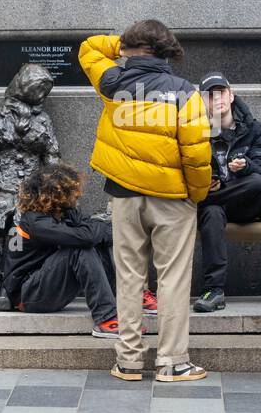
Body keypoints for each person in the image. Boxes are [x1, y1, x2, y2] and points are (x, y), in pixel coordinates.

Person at [79, 21, 212, 383]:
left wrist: (122, 46)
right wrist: (197, 195)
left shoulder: (112, 83)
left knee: (129, 277)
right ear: (166, 50)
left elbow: (89, 47)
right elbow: (197, 155)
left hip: (123, 195)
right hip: (172, 198)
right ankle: (172, 362)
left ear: (129, 48)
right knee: (173, 279)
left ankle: (129, 362)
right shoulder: (185, 92)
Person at [0, 163, 120, 339]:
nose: (77, 196)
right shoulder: (34, 221)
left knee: (93, 241)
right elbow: (86, 236)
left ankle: (121, 303)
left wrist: (96, 231)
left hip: (45, 286)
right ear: (56, 195)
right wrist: (96, 230)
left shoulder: (64, 212)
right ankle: (106, 319)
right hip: (27, 295)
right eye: (71, 192)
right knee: (79, 248)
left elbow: (93, 231)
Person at [192, 72, 261, 312]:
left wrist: (247, 166)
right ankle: (214, 290)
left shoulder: (256, 130)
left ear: (231, 96)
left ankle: (203, 199)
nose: (216, 98)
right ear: (203, 101)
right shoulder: (195, 133)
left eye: (221, 92)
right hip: (215, 206)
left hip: (248, 204)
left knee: (255, 182)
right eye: (210, 95)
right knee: (211, 212)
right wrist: (203, 182)